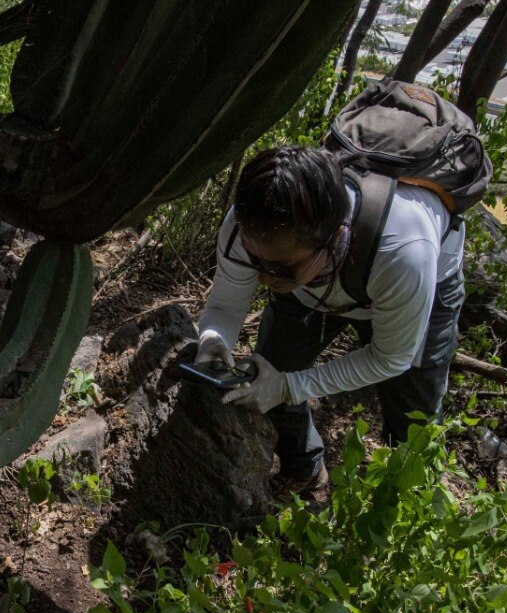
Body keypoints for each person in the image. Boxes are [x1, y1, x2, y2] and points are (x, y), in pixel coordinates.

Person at [195, 145, 465, 493]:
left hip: (414, 282)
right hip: (319, 278)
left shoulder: (405, 253)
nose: (264, 279)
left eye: (279, 268)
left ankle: (410, 500)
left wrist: (290, 387)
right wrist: (214, 339)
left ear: (336, 238)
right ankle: (304, 469)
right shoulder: (250, 224)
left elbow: (391, 357)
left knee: (416, 412)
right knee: (271, 368)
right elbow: (226, 307)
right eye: (254, 260)